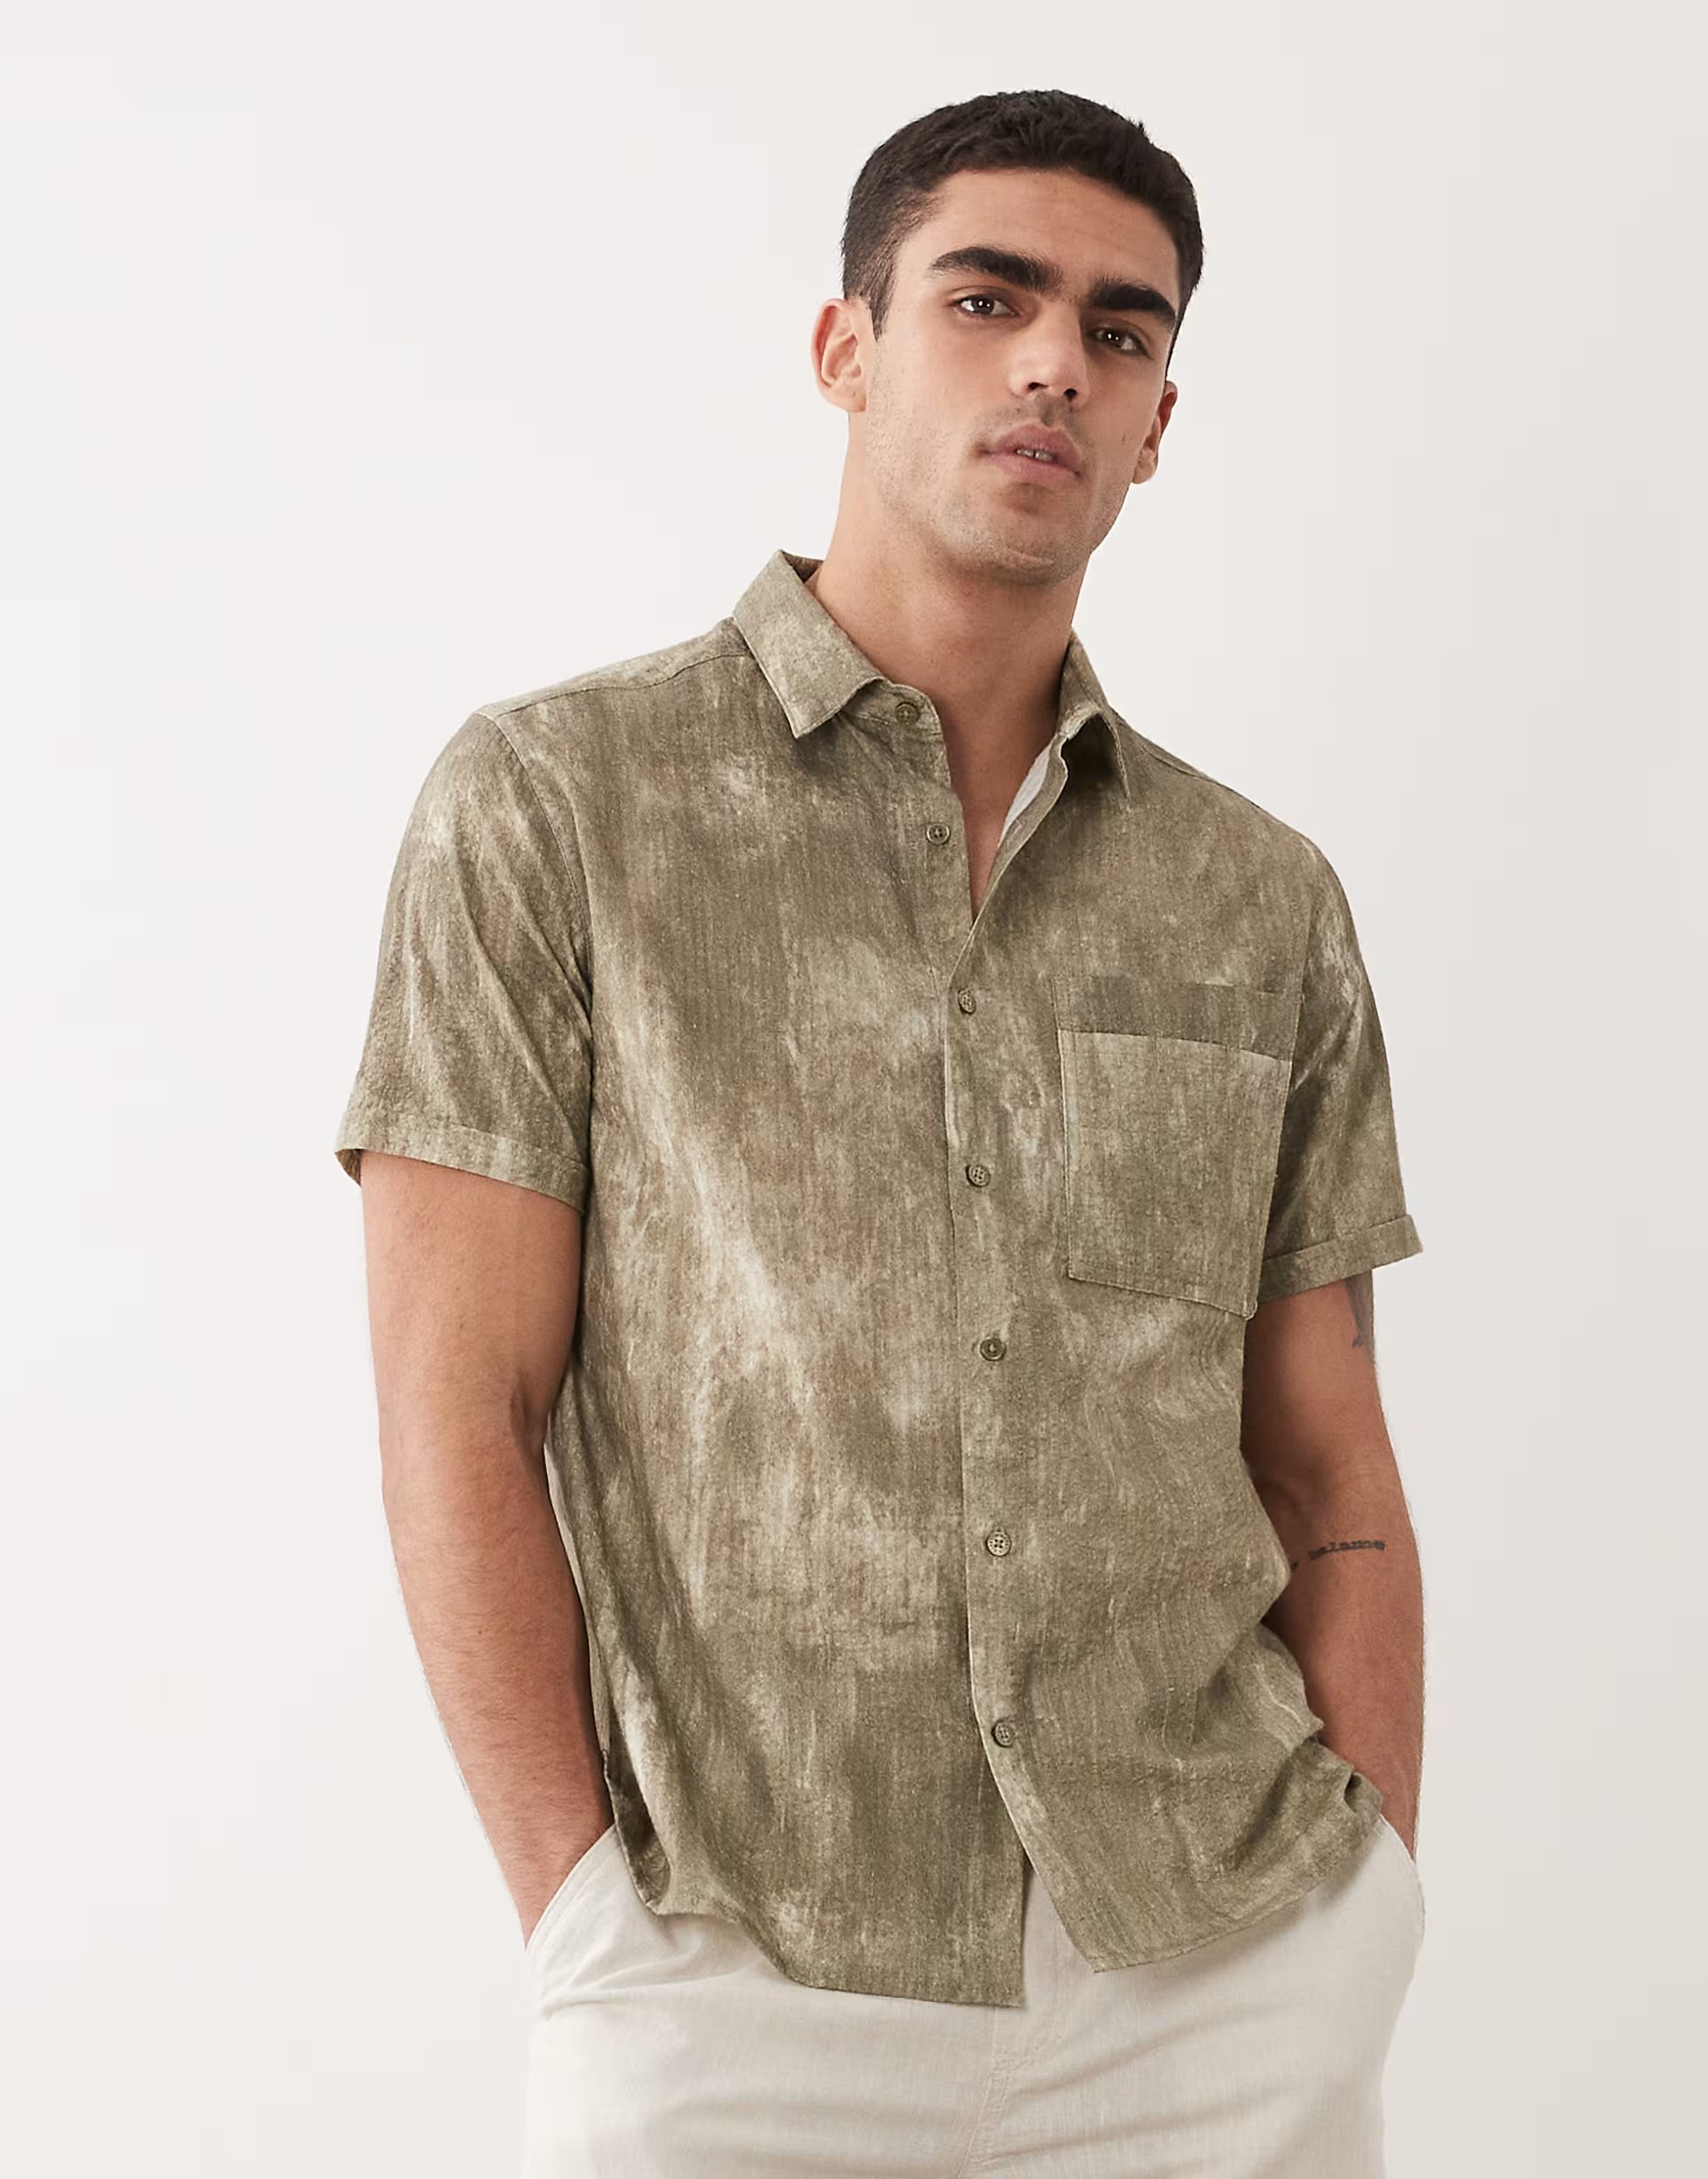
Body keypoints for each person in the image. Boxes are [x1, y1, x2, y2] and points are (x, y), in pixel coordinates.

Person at [333, 85, 1428, 2177]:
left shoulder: (1259, 897)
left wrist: (1365, 1901)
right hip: (736, 1970)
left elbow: (1323, 1451)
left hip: (1221, 1972)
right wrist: (581, 1917)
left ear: (1159, 422)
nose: (1055, 363)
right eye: (987, 299)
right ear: (847, 347)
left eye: (1119, 329)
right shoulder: (557, 807)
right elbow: (456, 1406)